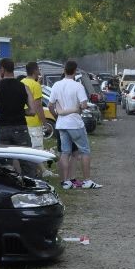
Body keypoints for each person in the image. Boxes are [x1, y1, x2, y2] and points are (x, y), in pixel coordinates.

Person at [49, 60, 100, 189]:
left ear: (64, 70)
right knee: (85, 150)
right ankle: (87, 180)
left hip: (61, 124)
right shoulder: (78, 86)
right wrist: (78, 108)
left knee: (65, 152)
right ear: (75, 71)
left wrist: (57, 116)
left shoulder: (56, 85)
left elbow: (50, 105)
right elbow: (84, 105)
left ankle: (65, 181)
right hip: (75, 123)